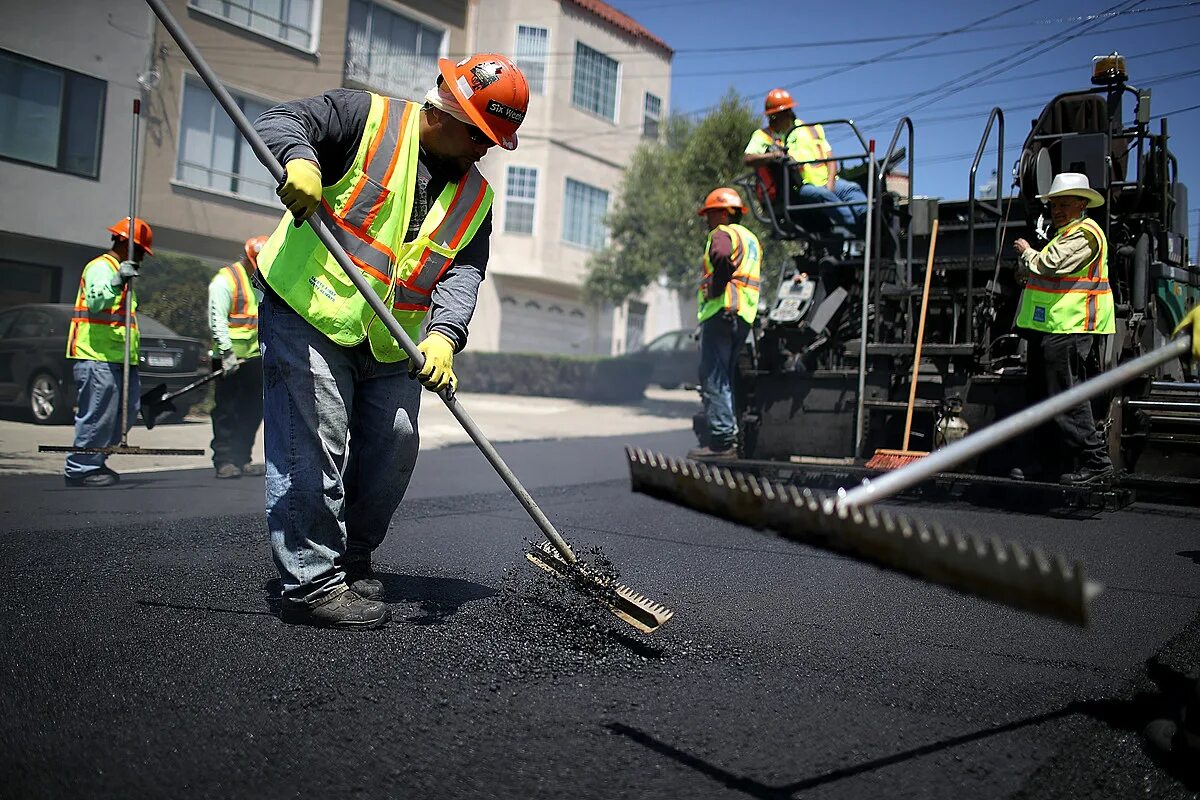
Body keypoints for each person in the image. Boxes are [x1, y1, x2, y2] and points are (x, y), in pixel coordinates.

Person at [252, 53, 528, 629]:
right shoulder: (364, 119)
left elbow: (463, 272)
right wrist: (300, 162)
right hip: (308, 309)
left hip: (391, 337)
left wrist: (445, 337)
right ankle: (309, 582)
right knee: (315, 439)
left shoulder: (477, 198)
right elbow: (280, 120)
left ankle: (352, 553)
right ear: (448, 110)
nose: (485, 150)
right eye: (481, 136)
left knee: (397, 442)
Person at [1011, 172, 1115, 485]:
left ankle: (1095, 462)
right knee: (1045, 397)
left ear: (1082, 204)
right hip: (1052, 327)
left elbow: (1050, 264)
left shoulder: (1085, 234)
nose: (1057, 210)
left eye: (1064, 204)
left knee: (1066, 397)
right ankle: (1049, 462)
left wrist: (1028, 253)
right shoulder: (1065, 235)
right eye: (1054, 205)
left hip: (1071, 326)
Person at [63, 218, 153, 488]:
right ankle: (80, 468)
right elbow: (96, 302)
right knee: (97, 415)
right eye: (140, 251)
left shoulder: (123, 272)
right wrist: (116, 281)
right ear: (126, 244)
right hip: (96, 356)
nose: (142, 258)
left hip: (119, 358)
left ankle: (96, 461)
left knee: (122, 415)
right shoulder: (102, 268)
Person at [687, 188, 762, 461]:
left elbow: (720, 257)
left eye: (709, 214)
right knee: (726, 378)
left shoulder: (722, 234)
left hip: (722, 311)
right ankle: (731, 436)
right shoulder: (751, 239)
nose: (707, 220)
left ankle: (721, 442)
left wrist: (717, 288)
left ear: (722, 212)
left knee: (714, 376)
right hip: (743, 316)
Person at [743, 88, 867, 234]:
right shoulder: (764, 136)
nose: (772, 120)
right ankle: (859, 229)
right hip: (800, 187)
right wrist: (772, 156)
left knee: (852, 189)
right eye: (771, 116)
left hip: (828, 182)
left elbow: (830, 157)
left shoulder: (811, 129)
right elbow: (748, 158)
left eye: (776, 116)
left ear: (788, 113)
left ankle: (870, 219)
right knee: (822, 195)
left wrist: (831, 182)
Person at [208, 235, 268, 479]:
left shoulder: (260, 280)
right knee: (226, 411)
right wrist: (226, 353)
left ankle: (242, 458)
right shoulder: (225, 280)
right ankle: (224, 460)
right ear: (248, 258)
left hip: (254, 359)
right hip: (229, 359)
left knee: (252, 411)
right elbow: (217, 319)